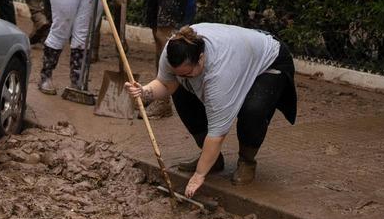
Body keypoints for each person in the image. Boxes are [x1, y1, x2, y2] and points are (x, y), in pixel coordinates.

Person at [125, 24, 296, 198]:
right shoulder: (173, 51)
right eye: (179, 74)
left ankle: (247, 161)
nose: (182, 77)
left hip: (268, 60)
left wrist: (199, 175)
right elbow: (166, 84)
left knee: (253, 110)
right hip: (238, 52)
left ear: (201, 59)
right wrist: (145, 91)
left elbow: (217, 134)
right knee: (181, 91)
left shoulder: (219, 74)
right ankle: (213, 161)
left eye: (187, 73)